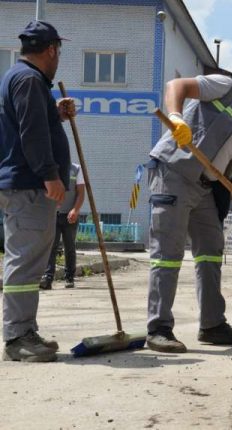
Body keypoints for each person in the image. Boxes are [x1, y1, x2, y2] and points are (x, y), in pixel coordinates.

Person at [145, 70, 232, 353]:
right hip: (174, 172)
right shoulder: (227, 88)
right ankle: (159, 328)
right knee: (168, 253)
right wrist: (175, 117)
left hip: (204, 188)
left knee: (211, 249)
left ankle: (212, 325)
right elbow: (177, 85)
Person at [0, 21, 75, 362]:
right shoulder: (29, 80)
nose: (58, 57)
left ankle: (25, 329)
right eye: (58, 51)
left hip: (25, 183)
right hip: (29, 185)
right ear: (51, 50)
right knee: (25, 260)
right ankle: (17, 337)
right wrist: (51, 175)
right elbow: (31, 133)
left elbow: (30, 125)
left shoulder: (22, 78)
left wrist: (55, 115)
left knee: (29, 261)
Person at [40, 163, 85, 290]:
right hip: (53, 214)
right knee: (50, 247)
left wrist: (75, 210)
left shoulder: (76, 169)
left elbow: (81, 193)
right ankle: (47, 278)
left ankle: (69, 277)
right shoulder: (49, 168)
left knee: (69, 247)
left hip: (69, 216)